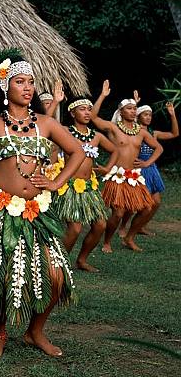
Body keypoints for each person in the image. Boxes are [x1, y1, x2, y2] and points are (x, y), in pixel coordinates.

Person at [0, 38, 84, 357]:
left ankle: (35, 332)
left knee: (55, 276)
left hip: (37, 212)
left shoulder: (46, 124)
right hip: (1, 211)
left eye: (31, 81)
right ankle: (0, 333)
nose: (28, 87)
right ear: (6, 87)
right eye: (20, 81)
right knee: (1, 275)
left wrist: (56, 180)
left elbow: (77, 150)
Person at [90, 80, 162, 252]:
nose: (133, 110)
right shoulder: (113, 128)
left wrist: (147, 162)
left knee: (148, 207)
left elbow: (158, 148)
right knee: (119, 213)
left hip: (134, 176)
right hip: (117, 176)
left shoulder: (141, 132)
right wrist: (102, 96)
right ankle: (107, 241)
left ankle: (129, 237)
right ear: (120, 112)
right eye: (129, 108)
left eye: (134, 108)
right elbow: (93, 118)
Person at [52, 97, 117, 272]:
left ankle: (81, 260)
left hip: (89, 187)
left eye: (89, 109)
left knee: (101, 225)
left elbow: (115, 150)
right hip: (70, 186)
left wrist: (107, 168)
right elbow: (47, 125)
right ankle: (60, 264)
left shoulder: (96, 136)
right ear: (72, 113)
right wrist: (55, 102)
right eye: (82, 109)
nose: (87, 112)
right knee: (74, 228)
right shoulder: (64, 131)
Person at [118, 101, 178, 236]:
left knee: (156, 202)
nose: (148, 117)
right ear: (138, 116)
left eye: (150, 115)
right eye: (145, 115)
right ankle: (122, 226)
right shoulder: (133, 130)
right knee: (134, 204)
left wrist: (172, 115)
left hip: (151, 168)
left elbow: (174, 134)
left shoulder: (153, 133)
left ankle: (140, 225)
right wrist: (135, 104)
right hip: (137, 168)